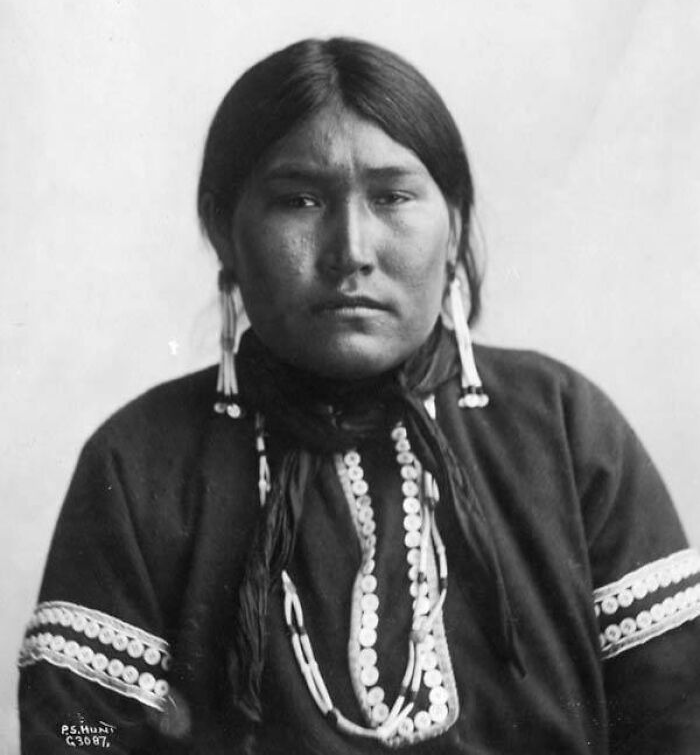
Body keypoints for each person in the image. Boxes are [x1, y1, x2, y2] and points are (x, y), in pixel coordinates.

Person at [17, 37, 700, 755]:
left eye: (392, 196)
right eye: (300, 199)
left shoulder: (563, 426)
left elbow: (679, 716)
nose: (351, 248)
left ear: (455, 221)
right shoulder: (140, 463)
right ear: (225, 230)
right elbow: (73, 729)